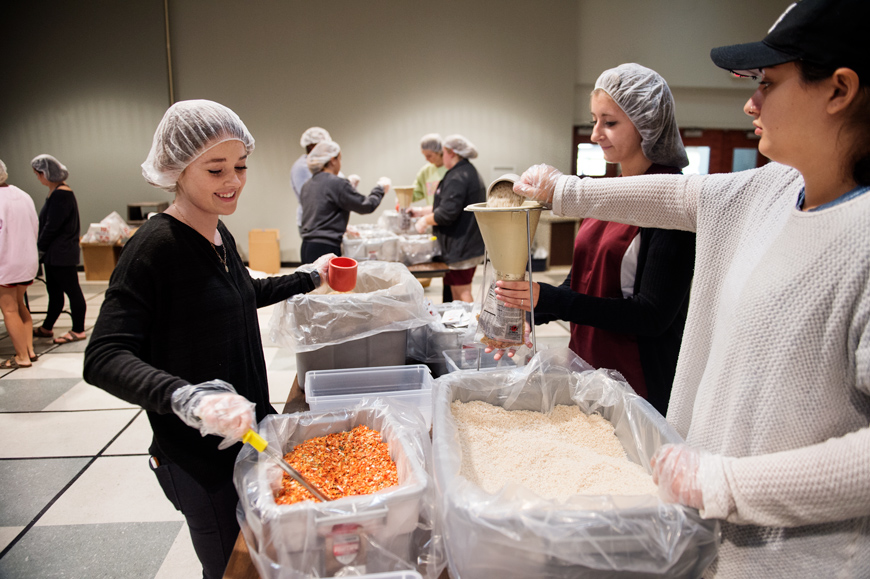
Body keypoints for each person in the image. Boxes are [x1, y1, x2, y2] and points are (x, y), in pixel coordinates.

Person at [511, 0, 870, 576]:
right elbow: (677, 198)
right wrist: (560, 191)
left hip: (800, 558)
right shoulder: (771, 188)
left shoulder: (861, 240)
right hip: (711, 530)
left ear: (839, 90)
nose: (750, 102)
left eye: (768, 83)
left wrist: (723, 480)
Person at [82, 100, 333, 579]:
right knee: (230, 567)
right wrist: (188, 399)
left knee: (265, 553)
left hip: (250, 435)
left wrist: (308, 277)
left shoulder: (218, 234)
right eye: (216, 169)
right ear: (176, 170)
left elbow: (241, 293)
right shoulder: (154, 248)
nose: (233, 181)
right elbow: (104, 356)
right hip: (198, 458)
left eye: (240, 166)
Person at [494, 64, 695, 415]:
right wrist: (529, 311)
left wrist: (550, 297)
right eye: (594, 121)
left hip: (638, 381)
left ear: (647, 123)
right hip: (590, 367)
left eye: (610, 122)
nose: (595, 134)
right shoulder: (605, 194)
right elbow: (582, 280)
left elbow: (652, 316)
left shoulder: (672, 200)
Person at [412, 134, 485, 303]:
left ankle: (471, 327)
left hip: (462, 247)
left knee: (462, 292)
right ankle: (459, 326)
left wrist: (424, 221)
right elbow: (449, 205)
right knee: (455, 291)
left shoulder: (459, 176)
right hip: (462, 245)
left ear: (451, 152)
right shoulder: (464, 172)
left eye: (443, 152)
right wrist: (420, 211)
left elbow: (446, 213)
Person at [299, 139, 389, 263]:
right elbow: (366, 206)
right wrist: (380, 189)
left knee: (311, 282)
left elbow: (321, 212)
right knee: (326, 283)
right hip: (325, 248)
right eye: (339, 159)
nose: (340, 163)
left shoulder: (307, 185)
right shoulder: (336, 183)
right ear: (332, 160)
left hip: (306, 246)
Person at [31, 154, 87, 344]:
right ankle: (47, 327)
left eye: (38, 174)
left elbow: (51, 227)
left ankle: (78, 329)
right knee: (54, 292)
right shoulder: (56, 193)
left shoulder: (61, 194)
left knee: (72, 291)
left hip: (61, 253)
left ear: (45, 173)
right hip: (56, 254)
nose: (38, 178)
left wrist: (38, 250)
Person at [0, 160, 40, 368]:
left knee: (8, 310)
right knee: (19, 304)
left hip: (6, 262)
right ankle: (30, 350)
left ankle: (21, 357)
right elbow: (35, 225)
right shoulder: (22, 194)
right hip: (26, 260)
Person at [411, 133, 447, 206]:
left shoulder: (451, 169)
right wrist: (402, 196)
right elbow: (415, 194)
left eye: (429, 156)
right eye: (424, 155)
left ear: (439, 152)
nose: (426, 159)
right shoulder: (425, 171)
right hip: (432, 215)